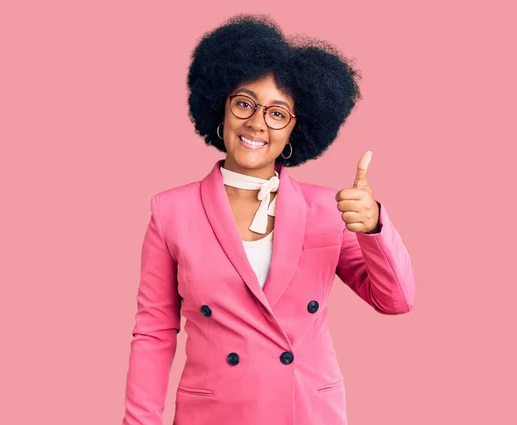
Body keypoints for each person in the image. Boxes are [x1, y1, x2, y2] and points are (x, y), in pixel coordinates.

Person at [121, 14, 415, 425]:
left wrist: (375, 228)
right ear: (219, 108)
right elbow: (153, 333)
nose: (257, 122)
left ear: (295, 130)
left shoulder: (329, 209)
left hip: (307, 411)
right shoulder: (170, 211)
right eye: (244, 103)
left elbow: (396, 301)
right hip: (214, 414)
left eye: (278, 113)